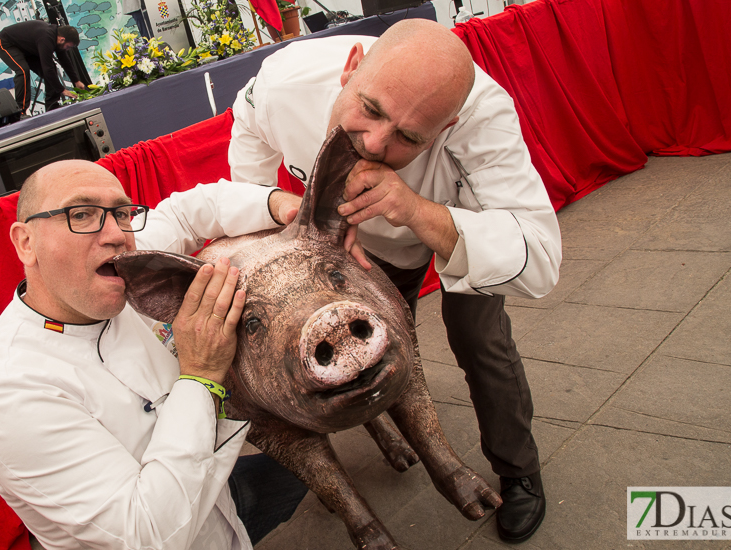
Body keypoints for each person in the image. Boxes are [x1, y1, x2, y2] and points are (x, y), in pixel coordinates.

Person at [227, 19, 561, 543]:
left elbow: (540, 261)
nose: (376, 142)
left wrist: (415, 210)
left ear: (447, 127)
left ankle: (519, 471)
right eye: (371, 110)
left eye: (408, 138)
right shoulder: (282, 83)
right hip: (356, 249)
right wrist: (288, 230)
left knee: (480, 340)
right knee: (382, 350)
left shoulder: (484, 117)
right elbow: (245, 156)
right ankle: (388, 428)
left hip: (458, 225)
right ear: (351, 67)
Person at [0, 160, 308, 549]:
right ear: (26, 242)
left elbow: (186, 212)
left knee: (302, 470)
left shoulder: (113, 271)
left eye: (123, 214)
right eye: (81, 214)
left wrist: (284, 206)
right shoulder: (6, 395)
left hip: (216, 502)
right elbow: (145, 534)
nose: (116, 235)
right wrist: (200, 375)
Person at [0, 21, 86, 113]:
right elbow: (47, 68)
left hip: (26, 49)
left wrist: (76, 81)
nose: (67, 49)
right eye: (68, 47)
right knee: (23, 70)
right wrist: (62, 90)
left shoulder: (57, 38)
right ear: (62, 39)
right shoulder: (46, 38)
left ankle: (52, 106)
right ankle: (20, 111)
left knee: (52, 70)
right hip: (6, 43)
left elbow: (65, 61)